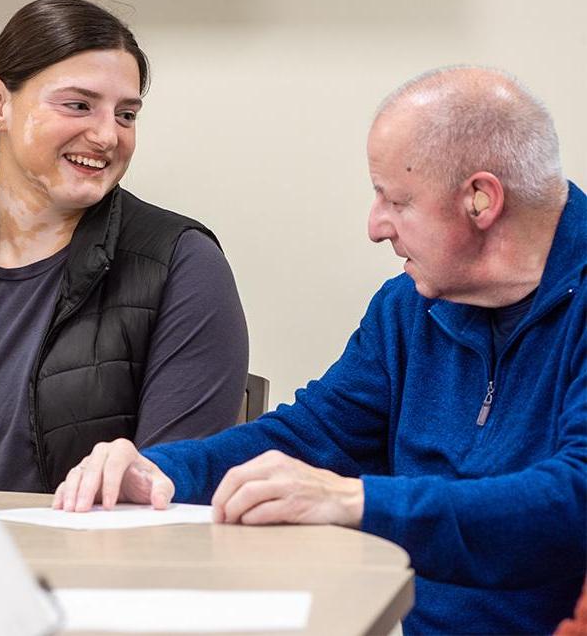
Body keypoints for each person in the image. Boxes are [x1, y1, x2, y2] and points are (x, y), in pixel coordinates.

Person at [55, 66, 586, 634]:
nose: (375, 226)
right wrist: (156, 470)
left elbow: (571, 501)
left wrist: (355, 502)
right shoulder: (407, 307)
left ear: (481, 200)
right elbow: (310, 437)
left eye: (396, 200)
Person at [0, 0, 248, 494]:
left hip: (96, 568)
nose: (106, 135)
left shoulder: (183, 264)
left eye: (126, 115)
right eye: (78, 105)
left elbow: (171, 494)